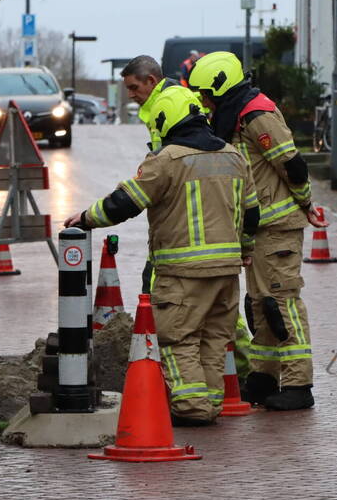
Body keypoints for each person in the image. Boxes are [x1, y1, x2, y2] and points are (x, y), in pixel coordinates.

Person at [64, 87, 259, 425]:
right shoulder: (233, 156)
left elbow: (126, 201)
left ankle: (192, 407)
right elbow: (252, 213)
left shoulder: (167, 160)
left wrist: (85, 217)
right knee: (214, 340)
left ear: (166, 120)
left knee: (177, 338)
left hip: (183, 272)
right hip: (227, 272)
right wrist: (245, 250)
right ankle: (211, 403)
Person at [189, 51, 327, 411]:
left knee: (282, 303)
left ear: (219, 88)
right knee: (260, 305)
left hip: (278, 227)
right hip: (258, 228)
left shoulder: (256, 114)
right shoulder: (234, 115)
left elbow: (291, 164)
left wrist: (307, 204)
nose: (203, 102)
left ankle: (299, 383)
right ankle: (265, 378)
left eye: (205, 94)